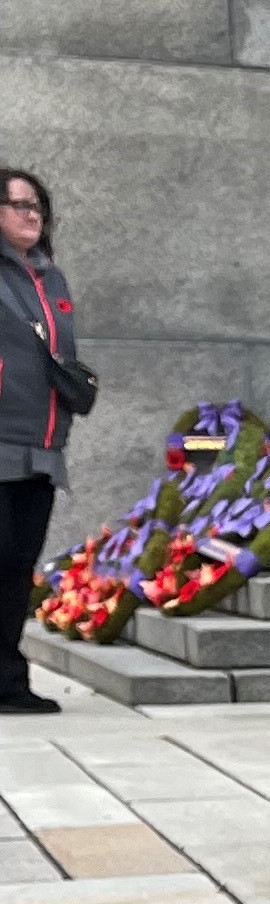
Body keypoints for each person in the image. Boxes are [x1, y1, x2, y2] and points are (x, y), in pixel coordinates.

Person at [0, 165, 90, 715]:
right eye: (19, 204)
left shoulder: (50, 278)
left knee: (15, 570)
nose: (33, 214)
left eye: (38, 206)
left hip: (42, 447)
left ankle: (8, 683)